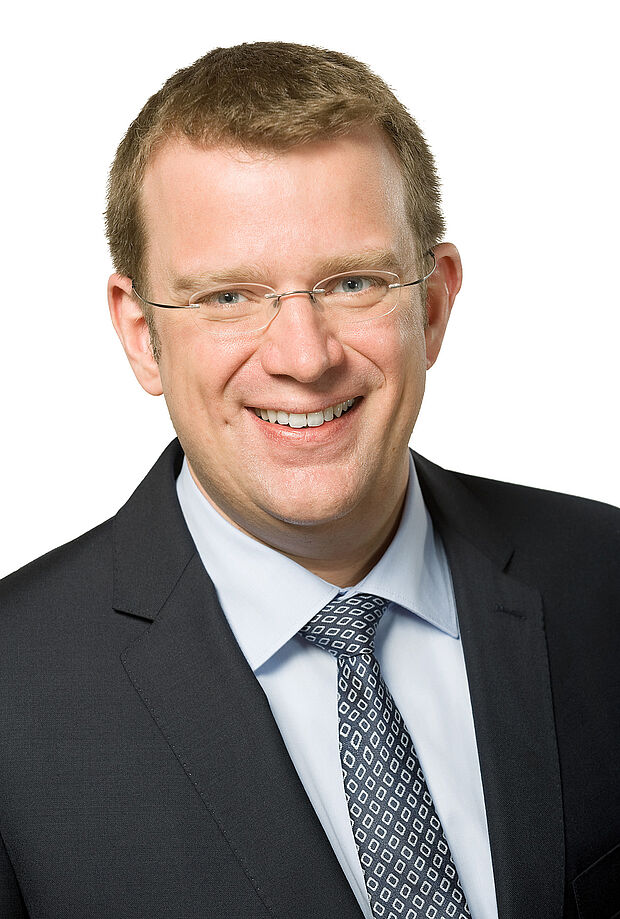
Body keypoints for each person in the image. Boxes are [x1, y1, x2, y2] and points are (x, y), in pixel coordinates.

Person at [0, 41, 618, 919]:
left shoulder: (603, 576)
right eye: (228, 296)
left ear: (432, 305)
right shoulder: (14, 692)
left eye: (352, 281)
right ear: (142, 334)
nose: (303, 356)